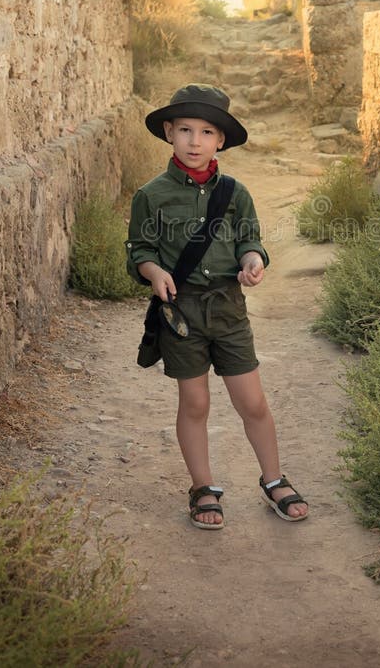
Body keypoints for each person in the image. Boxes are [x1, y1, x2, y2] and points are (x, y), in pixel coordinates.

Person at [125, 84, 308, 529]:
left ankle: (273, 479)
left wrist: (252, 262)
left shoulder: (235, 192)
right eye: (185, 129)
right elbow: (139, 249)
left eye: (206, 132)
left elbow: (251, 240)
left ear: (220, 140)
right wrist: (154, 272)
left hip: (228, 307)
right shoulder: (151, 195)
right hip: (180, 310)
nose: (194, 141)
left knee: (253, 402)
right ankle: (202, 486)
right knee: (195, 404)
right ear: (168, 132)